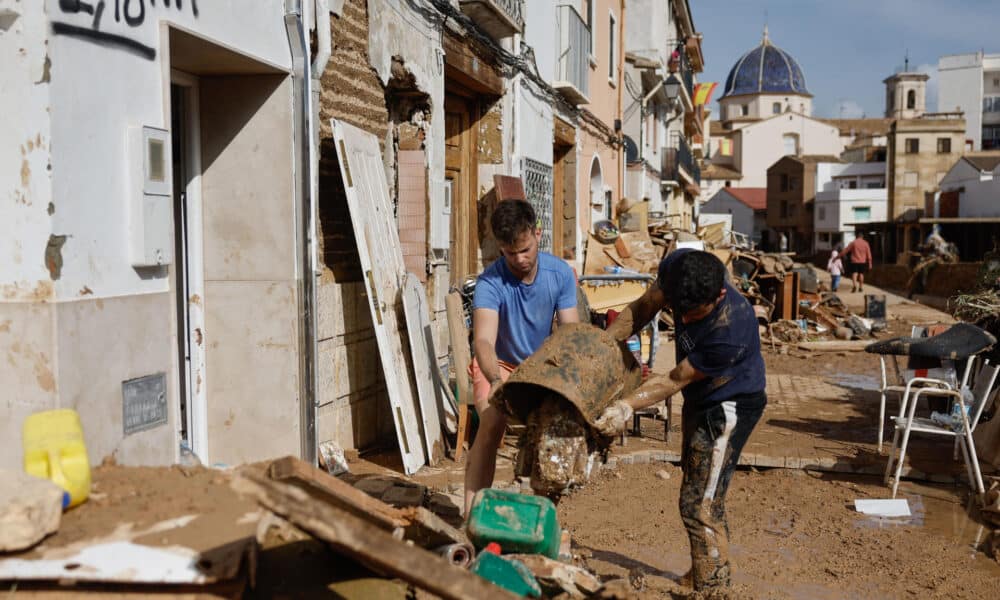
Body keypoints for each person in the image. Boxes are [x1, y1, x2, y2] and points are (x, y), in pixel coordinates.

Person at [597, 249, 767, 592]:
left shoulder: (730, 328)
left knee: (700, 503)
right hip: (701, 399)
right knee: (698, 488)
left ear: (719, 294)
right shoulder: (680, 268)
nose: (685, 322)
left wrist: (626, 406)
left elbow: (674, 379)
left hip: (729, 406)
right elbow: (645, 306)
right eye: (680, 311)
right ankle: (705, 570)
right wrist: (603, 345)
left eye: (694, 314)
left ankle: (712, 589)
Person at [465, 199, 579, 515]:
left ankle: (540, 515)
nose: (519, 259)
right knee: (490, 420)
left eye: (525, 249)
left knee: (554, 428)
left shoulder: (561, 274)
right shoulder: (490, 281)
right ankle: (471, 515)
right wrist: (495, 381)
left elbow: (571, 334)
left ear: (537, 233)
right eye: (510, 252)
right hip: (498, 364)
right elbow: (484, 342)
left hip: (541, 365)